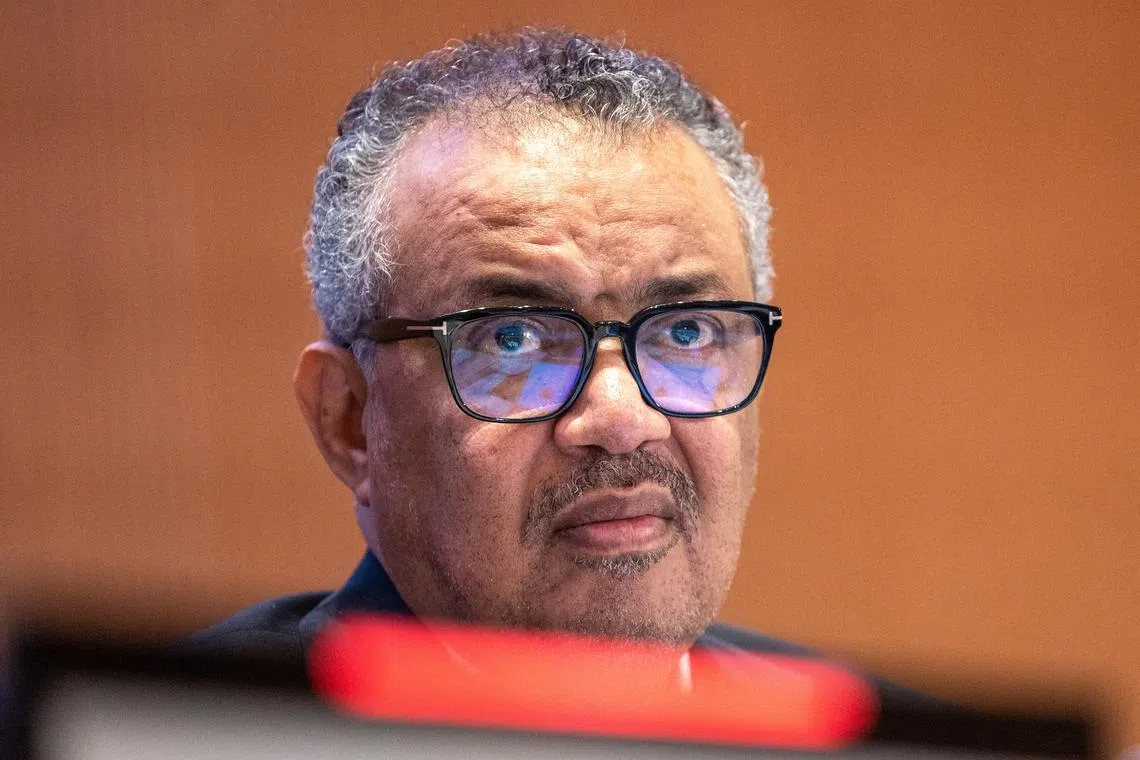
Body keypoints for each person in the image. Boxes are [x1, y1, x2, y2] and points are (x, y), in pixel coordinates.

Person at [189, 27, 800, 667]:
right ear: (349, 422)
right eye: (513, 340)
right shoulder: (191, 714)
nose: (623, 421)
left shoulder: (839, 714)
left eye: (686, 332)